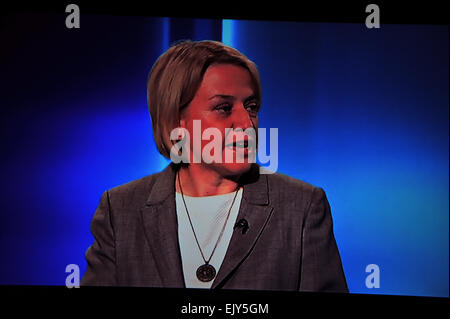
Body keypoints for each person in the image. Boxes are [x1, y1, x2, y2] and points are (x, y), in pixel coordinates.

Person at [81, 40, 348, 292]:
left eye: (251, 106)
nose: (247, 123)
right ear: (177, 121)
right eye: (223, 107)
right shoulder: (120, 210)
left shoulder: (302, 206)